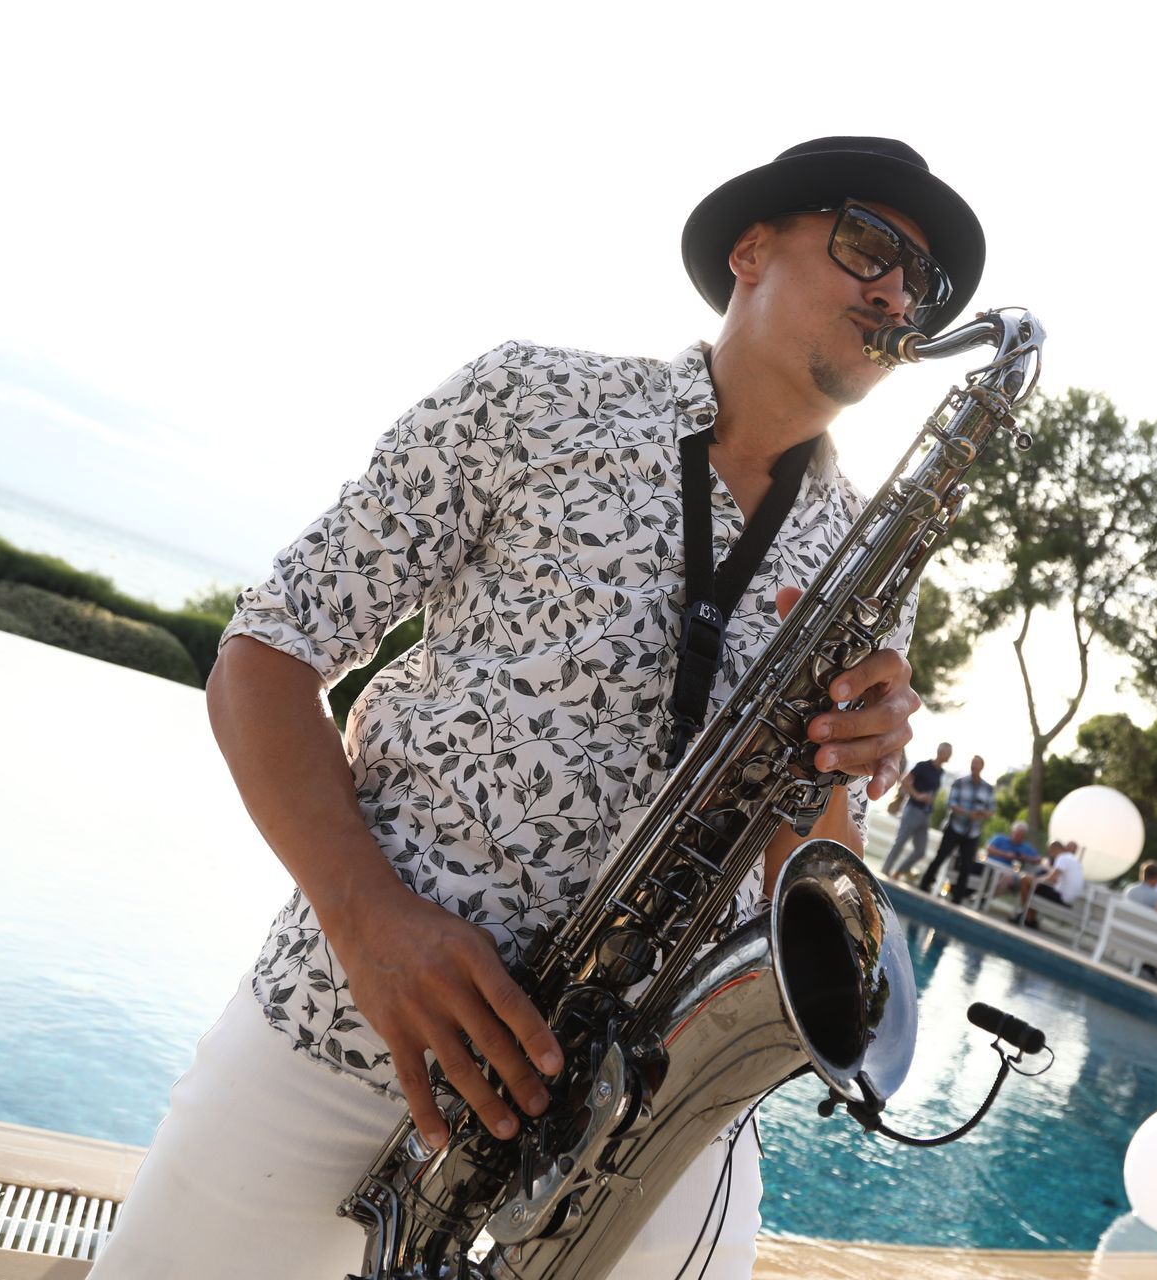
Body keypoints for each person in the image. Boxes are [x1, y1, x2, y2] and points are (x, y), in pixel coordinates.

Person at [90, 136, 988, 1280]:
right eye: (871, 243)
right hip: (350, 1033)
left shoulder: (875, 562)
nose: (900, 291)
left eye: (926, 282)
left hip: (636, 1121)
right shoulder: (531, 396)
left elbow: (804, 867)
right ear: (750, 250)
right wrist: (369, 923)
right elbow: (264, 652)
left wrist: (849, 762)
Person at [916, 754, 994, 902]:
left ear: (981, 767)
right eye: (972, 763)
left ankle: (957, 898)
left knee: (966, 865)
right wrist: (967, 813)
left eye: (977, 764)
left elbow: (991, 810)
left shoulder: (988, 788)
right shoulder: (960, 783)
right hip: (954, 827)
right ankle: (925, 884)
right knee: (941, 856)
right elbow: (951, 804)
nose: (974, 766)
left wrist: (981, 814)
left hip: (973, 833)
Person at [880, 741, 952, 878]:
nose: (950, 756)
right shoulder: (923, 766)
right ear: (941, 752)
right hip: (913, 810)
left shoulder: (941, 772)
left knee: (920, 851)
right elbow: (905, 780)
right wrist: (918, 795)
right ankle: (885, 871)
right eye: (949, 752)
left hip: (925, 814)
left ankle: (898, 872)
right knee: (900, 843)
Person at [1017, 840, 1085, 928]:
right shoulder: (1073, 860)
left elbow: (1051, 879)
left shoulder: (1063, 858)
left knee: (1025, 879)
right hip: (1070, 899)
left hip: (1062, 898)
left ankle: (1028, 917)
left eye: (1050, 851)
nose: (1050, 854)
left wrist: (1036, 881)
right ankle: (1029, 918)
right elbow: (1056, 879)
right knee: (1033, 885)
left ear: (1054, 849)